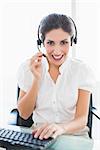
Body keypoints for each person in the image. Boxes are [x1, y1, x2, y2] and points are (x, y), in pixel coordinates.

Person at [17, 13, 95, 140]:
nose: (57, 51)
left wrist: (61, 128)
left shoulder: (82, 70)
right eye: (51, 43)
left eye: (63, 42)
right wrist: (36, 79)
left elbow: (82, 119)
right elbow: (24, 114)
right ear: (41, 42)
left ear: (72, 42)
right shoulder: (29, 68)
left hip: (74, 136)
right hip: (40, 136)